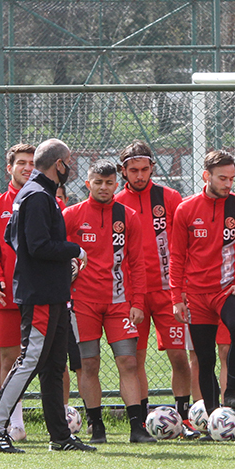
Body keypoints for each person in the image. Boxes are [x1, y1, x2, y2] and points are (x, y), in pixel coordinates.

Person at [0, 139, 95, 453]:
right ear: (58, 164)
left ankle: (60, 436)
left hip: (53, 292)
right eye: (68, 161)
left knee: (54, 366)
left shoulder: (36, 194)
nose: (70, 167)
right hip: (41, 294)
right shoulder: (36, 195)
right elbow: (37, 245)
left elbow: (12, 237)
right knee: (29, 360)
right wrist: (74, 250)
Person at [114, 140, 198, 436]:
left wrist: (182, 287)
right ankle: (143, 420)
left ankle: (185, 417)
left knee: (178, 355)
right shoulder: (115, 202)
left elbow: (184, 244)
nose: (140, 175)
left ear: (152, 168)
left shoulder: (170, 197)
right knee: (134, 359)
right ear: (123, 171)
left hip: (167, 291)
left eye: (144, 169)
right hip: (131, 294)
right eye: (133, 170)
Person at [64, 161, 150, 442]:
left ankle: (137, 427)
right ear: (87, 184)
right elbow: (54, 251)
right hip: (82, 303)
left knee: (128, 362)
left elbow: (138, 263)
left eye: (109, 183)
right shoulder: (71, 215)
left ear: (116, 184)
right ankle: (96, 426)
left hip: (119, 303)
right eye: (98, 183)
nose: (103, 187)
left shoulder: (128, 216)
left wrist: (137, 302)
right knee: (88, 365)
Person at [169, 150, 235, 414]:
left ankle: (230, 392)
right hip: (196, 295)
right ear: (206, 176)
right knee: (204, 358)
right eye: (222, 178)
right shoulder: (186, 209)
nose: (228, 184)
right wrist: (176, 298)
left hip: (229, 290)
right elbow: (177, 257)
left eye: (232, 178)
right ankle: (211, 416)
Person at [0, 143, 37, 436]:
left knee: (54, 360)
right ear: (9, 168)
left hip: (44, 296)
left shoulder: (50, 203)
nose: (28, 168)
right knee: (8, 358)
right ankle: (14, 423)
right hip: (10, 296)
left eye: (33, 163)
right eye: (22, 162)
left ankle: (59, 423)